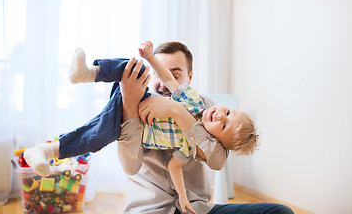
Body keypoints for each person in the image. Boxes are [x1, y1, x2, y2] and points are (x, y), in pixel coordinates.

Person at [117, 41, 294, 214]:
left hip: (196, 208)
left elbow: (218, 160)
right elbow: (129, 166)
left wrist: (176, 110)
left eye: (175, 75)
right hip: (149, 208)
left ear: (189, 77)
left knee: (279, 211)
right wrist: (128, 106)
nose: (164, 83)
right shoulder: (136, 107)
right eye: (158, 73)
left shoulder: (205, 107)